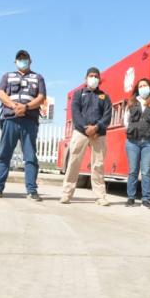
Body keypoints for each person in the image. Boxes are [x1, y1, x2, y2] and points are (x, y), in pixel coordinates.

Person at [0, 50, 46, 201]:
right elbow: (0, 93)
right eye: (19, 59)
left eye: (25, 58)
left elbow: (41, 97)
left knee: (30, 157)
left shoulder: (38, 77)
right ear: (15, 62)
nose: (22, 61)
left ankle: (32, 191)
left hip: (29, 121)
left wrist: (26, 107)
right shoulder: (7, 76)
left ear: (30, 61)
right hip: (10, 119)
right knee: (4, 155)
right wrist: (14, 106)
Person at [59, 67, 112, 206]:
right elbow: (75, 113)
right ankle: (66, 194)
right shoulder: (78, 94)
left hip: (98, 133)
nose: (93, 78)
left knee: (98, 165)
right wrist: (85, 128)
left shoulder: (104, 96)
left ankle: (100, 197)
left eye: (96, 76)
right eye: (91, 76)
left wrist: (97, 128)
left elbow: (107, 116)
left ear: (99, 79)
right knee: (73, 162)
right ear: (86, 78)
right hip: (80, 132)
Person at [124, 78, 150, 208]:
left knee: (146, 171)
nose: (143, 88)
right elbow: (126, 121)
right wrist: (133, 130)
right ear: (137, 89)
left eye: (145, 85)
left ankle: (146, 200)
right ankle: (131, 198)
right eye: (140, 86)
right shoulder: (131, 102)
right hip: (133, 142)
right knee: (133, 171)